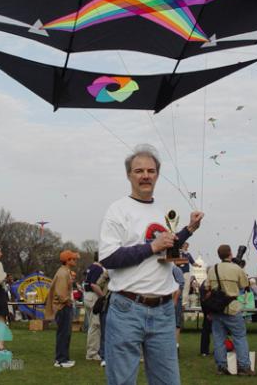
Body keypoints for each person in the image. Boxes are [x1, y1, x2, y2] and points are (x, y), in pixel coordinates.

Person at [99, 144, 204, 385]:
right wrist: (152, 247)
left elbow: (168, 246)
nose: (145, 175)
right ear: (129, 175)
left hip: (164, 310)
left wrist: (188, 229)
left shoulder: (162, 211)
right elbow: (109, 258)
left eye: (151, 170)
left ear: (157, 174)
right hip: (127, 308)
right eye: (139, 171)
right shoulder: (117, 210)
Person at [206, 244, 255, 376]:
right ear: (230, 253)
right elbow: (244, 285)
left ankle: (221, 366)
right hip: (232, 307)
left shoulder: (212, 269)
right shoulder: (236, 268)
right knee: (239, 337)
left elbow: (207, 286)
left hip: (216, 308)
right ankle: (244, 367)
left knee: (218, 338)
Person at [45, 249, 79, 368]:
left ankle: (64, 358)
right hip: (62, 307)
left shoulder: (64, 271)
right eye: (73, 259)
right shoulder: (63, 273)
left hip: (64, 306)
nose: (75, 261)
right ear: (67, 260)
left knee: (66, 334)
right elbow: (60, 293)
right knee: (63, 334)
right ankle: (60, 360)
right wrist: (68, 301)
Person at [83, 252, 104, 361]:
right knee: (95, 325)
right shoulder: (98, 268)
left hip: (87, 296)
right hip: (93, 297)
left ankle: (93, 350)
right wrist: (103, 296)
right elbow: (93, 285)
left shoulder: (91, 267)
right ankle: (92, 353)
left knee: (93, 325)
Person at [178, 242, 201, 307]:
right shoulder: (178, 253)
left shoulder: (188, 254)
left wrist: (198, 265)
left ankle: (184, 302)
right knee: (179, 286)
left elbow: (192, 263)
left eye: (187, 246)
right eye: (186, 245)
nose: (187, 246)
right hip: (179, 271)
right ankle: (177, 300)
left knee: (186, 286)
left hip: (186, 271)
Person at [172, 264, 185, 354]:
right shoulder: (176, 269)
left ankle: (175, 347)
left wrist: (175, 300)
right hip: (172, 300)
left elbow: (180, 286)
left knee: (176, 324)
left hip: (173, 300)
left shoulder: (175, 269)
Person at [199, 278, 212, 357]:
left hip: (208, 311)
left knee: (206, 331)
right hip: (212, 311)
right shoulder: (209, 284)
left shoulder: (204, 283)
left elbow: (203, 300)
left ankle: (204, 351)